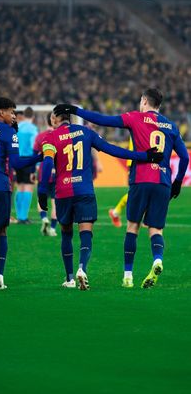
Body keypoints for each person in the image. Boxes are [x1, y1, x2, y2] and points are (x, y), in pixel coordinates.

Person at [53, 87, 189, 289]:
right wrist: (177, 182)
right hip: (163, 181)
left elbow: (103, 120)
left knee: (132, 226)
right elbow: (185, 157)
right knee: (156, 229)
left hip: (141, 179)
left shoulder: (135, 118)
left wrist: (75, 110)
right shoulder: (170, 125)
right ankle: (157, 259)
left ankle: (128, 276)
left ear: (144, 101)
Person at [38, 109, 163, 290]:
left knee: (66, 233)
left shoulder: (50, 138)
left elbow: (48, 163)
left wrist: (42, 190)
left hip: (63, 191)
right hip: (85, 191)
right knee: (86, 233)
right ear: (71, 118)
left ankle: (70, 278)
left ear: (54, 118)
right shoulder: (86, 132)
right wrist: (145, 156)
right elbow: (112, 150)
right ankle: (82, 268)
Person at [0, 97, 42, 290]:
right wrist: (41, 156)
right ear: (1, 112)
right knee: (1, 231)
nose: (14, 116)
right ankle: (0, 277)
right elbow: (17, 163)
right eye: (11, 112)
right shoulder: (8, 132)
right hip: (1, 186)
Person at [34, 113, 58, 237]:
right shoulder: (60, 136)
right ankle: (53, 229)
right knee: (55, 202)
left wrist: (34, 171)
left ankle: (44, 218)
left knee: (41, 198)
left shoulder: (40, 136)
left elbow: (35, 156)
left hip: (43, 172)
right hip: (57, 172)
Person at [15, 106, 39, 224]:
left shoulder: (18, 127)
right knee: (29, 187)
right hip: (29, 159)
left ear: (23, 116)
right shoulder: (33, 129)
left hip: (17, 159)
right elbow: (34, 146)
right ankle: (24, 217)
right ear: (33, 117)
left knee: (20, 186)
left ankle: (19, 215)